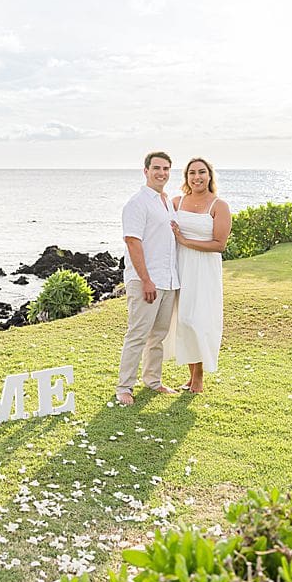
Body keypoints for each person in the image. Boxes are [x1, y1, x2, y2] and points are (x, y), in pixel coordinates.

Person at [116, 151, 180, 405]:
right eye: (156, 168)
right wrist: (145, 280)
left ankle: (153, 381)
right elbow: (133, 242)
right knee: (138, 334)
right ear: (146, 171)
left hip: (168, 280)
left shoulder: (167, 202)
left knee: (158, 335)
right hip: (146, 281)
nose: (161, 173)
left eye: (166, 169)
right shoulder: (138, 203)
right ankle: (124, 387)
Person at [167, 157, 230, 393]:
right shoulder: (176, 202)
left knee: (200, 320)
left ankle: (200, 375)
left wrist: (184, 241)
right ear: (186, 177)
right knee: (183, 319)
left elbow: (219, 244)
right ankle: (191, 375)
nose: (197, 177)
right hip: (181, 267)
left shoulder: (219, 205)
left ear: (209, 175)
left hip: (205, 270)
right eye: (192, 173)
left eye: (202, 172)